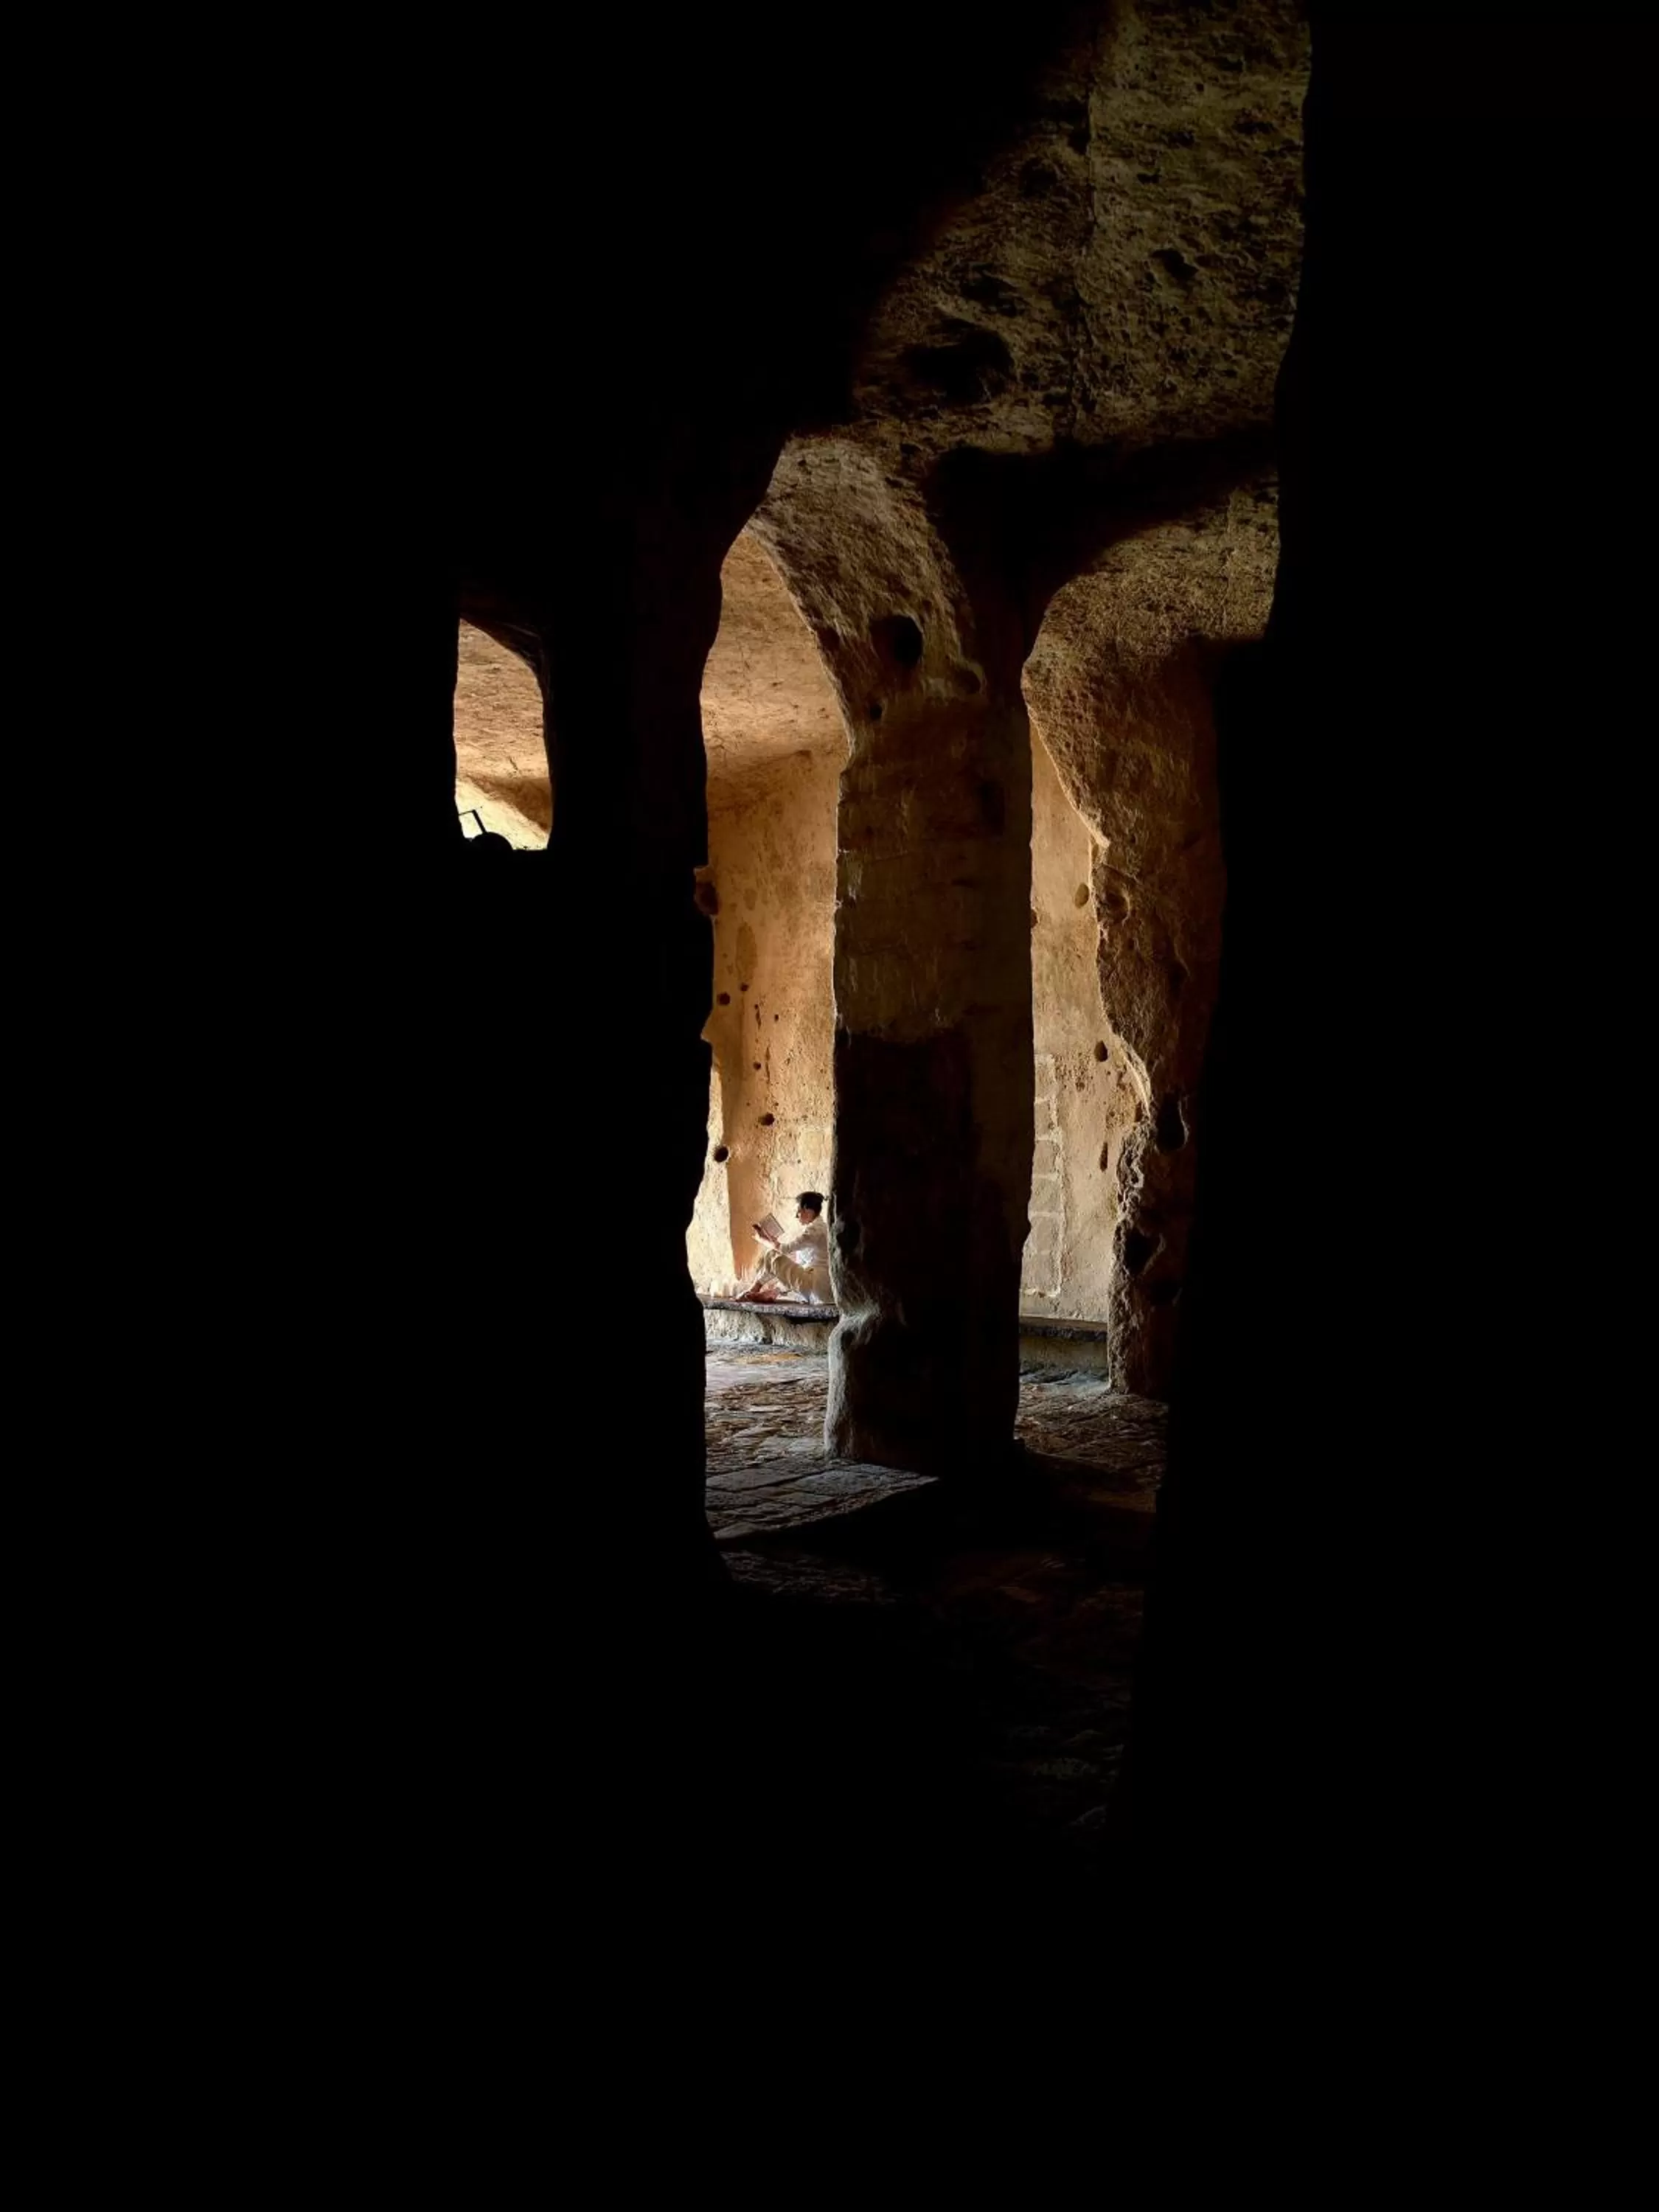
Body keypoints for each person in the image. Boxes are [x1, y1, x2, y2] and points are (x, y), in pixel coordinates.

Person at [738, 1191, 832, 1304]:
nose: (796, 1216)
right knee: (784, 1263)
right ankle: (772, 1292)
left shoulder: (814, 1231)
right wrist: (772, 1241)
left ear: (808, 1210)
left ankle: (755, 1288)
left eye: (798, 1211)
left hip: (815, 1286)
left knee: (772, 1254)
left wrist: (762, 1239)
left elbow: (783, 1249)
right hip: (820, 1288)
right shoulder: (821, 1228)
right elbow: (788, 1254)